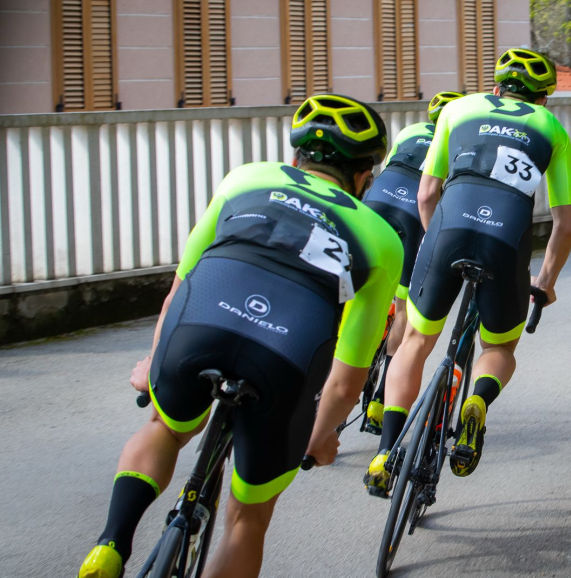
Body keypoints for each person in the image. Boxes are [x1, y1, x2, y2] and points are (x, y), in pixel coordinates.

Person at [78, 95, 402, 578]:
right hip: (283, 357)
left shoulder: (245, 178)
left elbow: (178, 292)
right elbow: (347, 378)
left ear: (295, 159)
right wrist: (319, 436)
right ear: (364, 177)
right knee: (247, 519)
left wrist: (153, 366)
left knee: (165, 428)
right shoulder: (380, 237)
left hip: (199, 326)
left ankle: (109, 545)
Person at [364, 48, 571, 494]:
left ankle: (385, 453)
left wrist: (437, 242)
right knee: (499, 346)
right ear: (542, 99)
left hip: (448, 227)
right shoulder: (551, 129)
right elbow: (565, 223)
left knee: (417, 342)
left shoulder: (457, 110)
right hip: (506, 240)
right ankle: (477, 401)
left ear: (496, 86)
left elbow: (426, 194)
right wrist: (545, 282)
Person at [361, 91, 464, 433]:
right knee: (404, 309)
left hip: (376, 199)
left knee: (358, 294)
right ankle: (379, 401)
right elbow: (436, 193)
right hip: (411, 213)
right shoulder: (458, 142)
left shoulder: (409, 131)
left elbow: (385, 166)